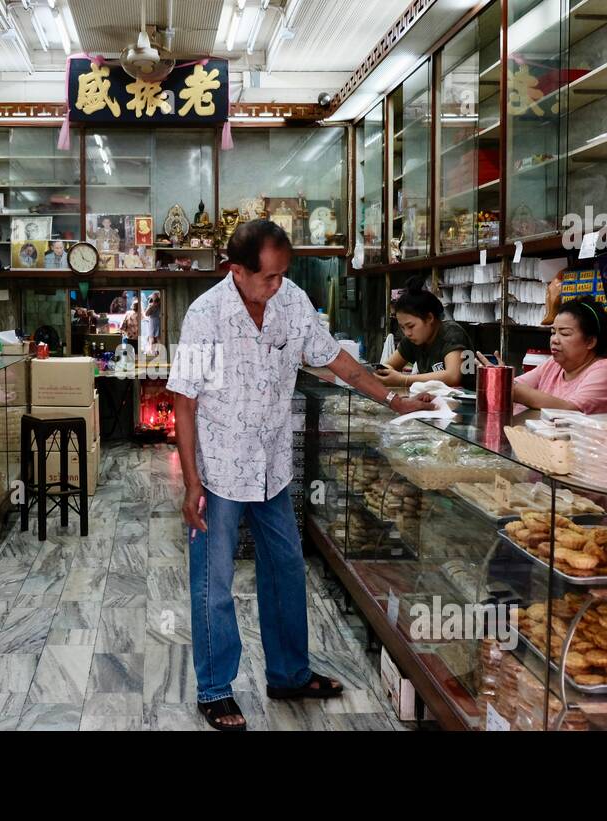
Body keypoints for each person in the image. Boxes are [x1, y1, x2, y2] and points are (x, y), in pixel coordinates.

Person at [167, 219, 434, 731]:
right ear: (237, 271)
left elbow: (341, 364)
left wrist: (396, 400)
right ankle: (215, 688)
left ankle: (289, 674)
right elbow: (183, 401)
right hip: (220, 469)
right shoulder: (206, 315)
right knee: (214, 582)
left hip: (273, 467)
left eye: (283, 273)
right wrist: (191, 484)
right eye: (268, 276)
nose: (278, 284)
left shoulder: (292, 302)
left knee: (287, 570)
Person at [481, 297, 607, 414]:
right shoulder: (554, 364)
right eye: (553, 332)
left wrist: (507, 386)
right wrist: (500, 379)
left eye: (565, 333)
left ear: (590, 341)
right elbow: (517, 385)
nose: (554, 339)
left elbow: (570, 410)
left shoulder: (606, 372)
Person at [376, 279, 472, 389]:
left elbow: (452, 376)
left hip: (468, 401)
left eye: (411, 326)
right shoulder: (413, 339)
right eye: (402, 327)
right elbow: (389, 366)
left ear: (429, 318)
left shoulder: (452, 333)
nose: (407, 333)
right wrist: (382, 372)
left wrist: (404, 380)